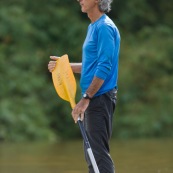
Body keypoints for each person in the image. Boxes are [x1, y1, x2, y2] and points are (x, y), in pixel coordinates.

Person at [48, 0, 120, 172]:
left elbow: (104, 66)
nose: (79, 0)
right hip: (93, 98)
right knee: (91, 156)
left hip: (99, 98)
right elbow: (91, 65)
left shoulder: (105, 27)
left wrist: (86, 99)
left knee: (98, 156)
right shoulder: (93, 27)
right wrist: (64, 67)